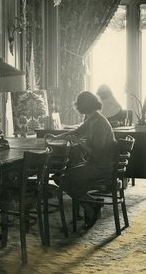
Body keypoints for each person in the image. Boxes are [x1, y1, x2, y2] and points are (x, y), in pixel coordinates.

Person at [51, 91, 117, 229]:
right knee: (61, 177)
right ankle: (92, 203)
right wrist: (57, 137)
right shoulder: (93, 118)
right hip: (97, 164)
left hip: (102, 167)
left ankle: (90, 206)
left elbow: (97, 153)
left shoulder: (98, 123)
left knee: (63, 179)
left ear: (82, 106)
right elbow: (76, 132)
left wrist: (78, 142)